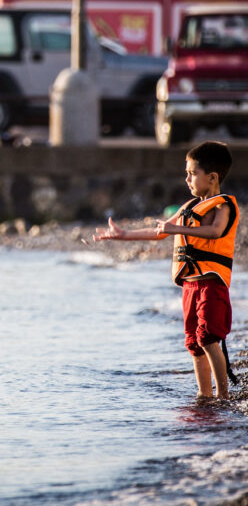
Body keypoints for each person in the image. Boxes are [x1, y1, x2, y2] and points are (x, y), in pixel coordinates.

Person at [94, 141, 239, 399]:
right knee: (194, 343)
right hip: (190, 287)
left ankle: (223, 396)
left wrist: (178, 230)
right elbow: (159, 232)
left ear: (213, 177)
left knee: (208, 337)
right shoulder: (189, 207)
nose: (187, 179)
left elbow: (216, 231)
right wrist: (123, 235)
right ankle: (204, 395)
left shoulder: (222, 206)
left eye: (192, 173)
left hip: (211, 285)